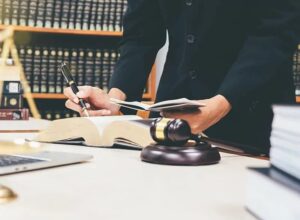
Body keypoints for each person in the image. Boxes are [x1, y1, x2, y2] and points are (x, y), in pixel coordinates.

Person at [65, 0, 300, 154]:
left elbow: (275, 35)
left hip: (250, 117)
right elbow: (141, 35)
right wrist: (115, 99)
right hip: (170, 122)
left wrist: (221, 103)